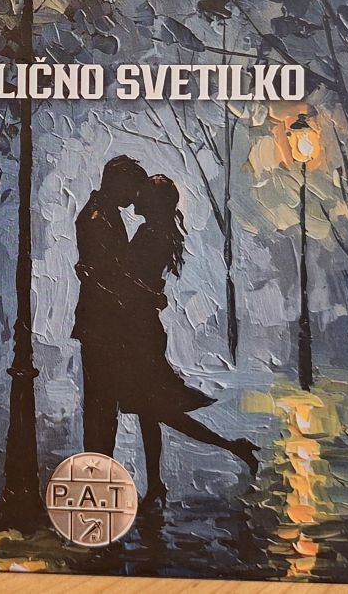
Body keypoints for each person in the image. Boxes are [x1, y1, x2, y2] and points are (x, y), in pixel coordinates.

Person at [120, 174, 260, 505]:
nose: (136, 197)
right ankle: (157, 483)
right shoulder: (159, 232)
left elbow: (133, 278)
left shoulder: (149, 234)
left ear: (152, 202)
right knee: (150, 411)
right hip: (143, 328)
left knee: (155, 410)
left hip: (140, 331)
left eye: (142, 193)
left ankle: (231, 448)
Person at [72, 155, 148, 457]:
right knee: (101, 402)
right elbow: (107, 275)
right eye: (132, 187)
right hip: (101, 323)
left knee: (104, 402)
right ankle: (98, 462)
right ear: (119, 183)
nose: (134, 195)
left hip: (104, 321)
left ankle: (101, 460)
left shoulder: (104, 213)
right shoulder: (97, 217)